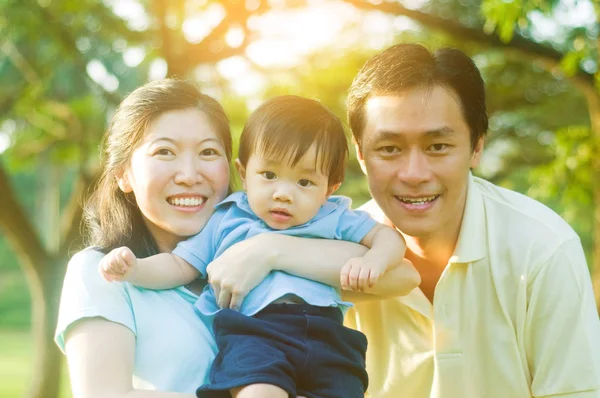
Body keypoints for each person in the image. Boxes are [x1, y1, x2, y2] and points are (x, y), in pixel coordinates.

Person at [55, 79, 420, 398]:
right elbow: (106, 394)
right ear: (124, 175)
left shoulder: (254, 242)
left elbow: (402, 276)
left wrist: (269, 250)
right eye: (165, 151)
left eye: (208, 152)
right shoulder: (102, 271)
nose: (189, 174)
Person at [343, 43, 600, 398]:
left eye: (437, 147)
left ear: (477, 146)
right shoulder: (335, 251)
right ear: (359, 152)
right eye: (390, 149)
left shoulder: (543, 250)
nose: (414, 174)